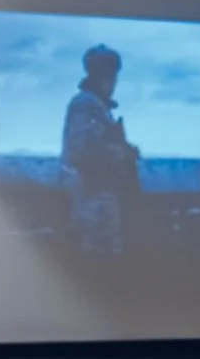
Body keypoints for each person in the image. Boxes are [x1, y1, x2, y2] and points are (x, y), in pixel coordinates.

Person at [60, 44, 140, 253]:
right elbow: (81, 152)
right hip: (92, 206)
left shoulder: (97, 106)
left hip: (102, 204)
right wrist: (123, 154)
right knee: (97, 263)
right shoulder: (86, 105)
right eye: (111, 73)